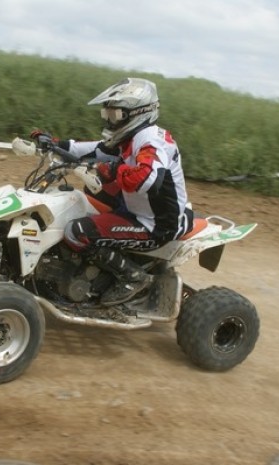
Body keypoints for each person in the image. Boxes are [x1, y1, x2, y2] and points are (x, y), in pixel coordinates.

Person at [31, 77, 192, 305]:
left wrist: (114, 169)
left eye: (115, 115)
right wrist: (55, 144)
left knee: (76, 231)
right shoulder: (131, 138)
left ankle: (132, 277)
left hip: (155, 224)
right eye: (106, 114)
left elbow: (147, 179)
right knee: (87, 191)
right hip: (138, 206)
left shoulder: (152, 143)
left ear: (136, 113)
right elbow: (95, 150)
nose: (109, 120)